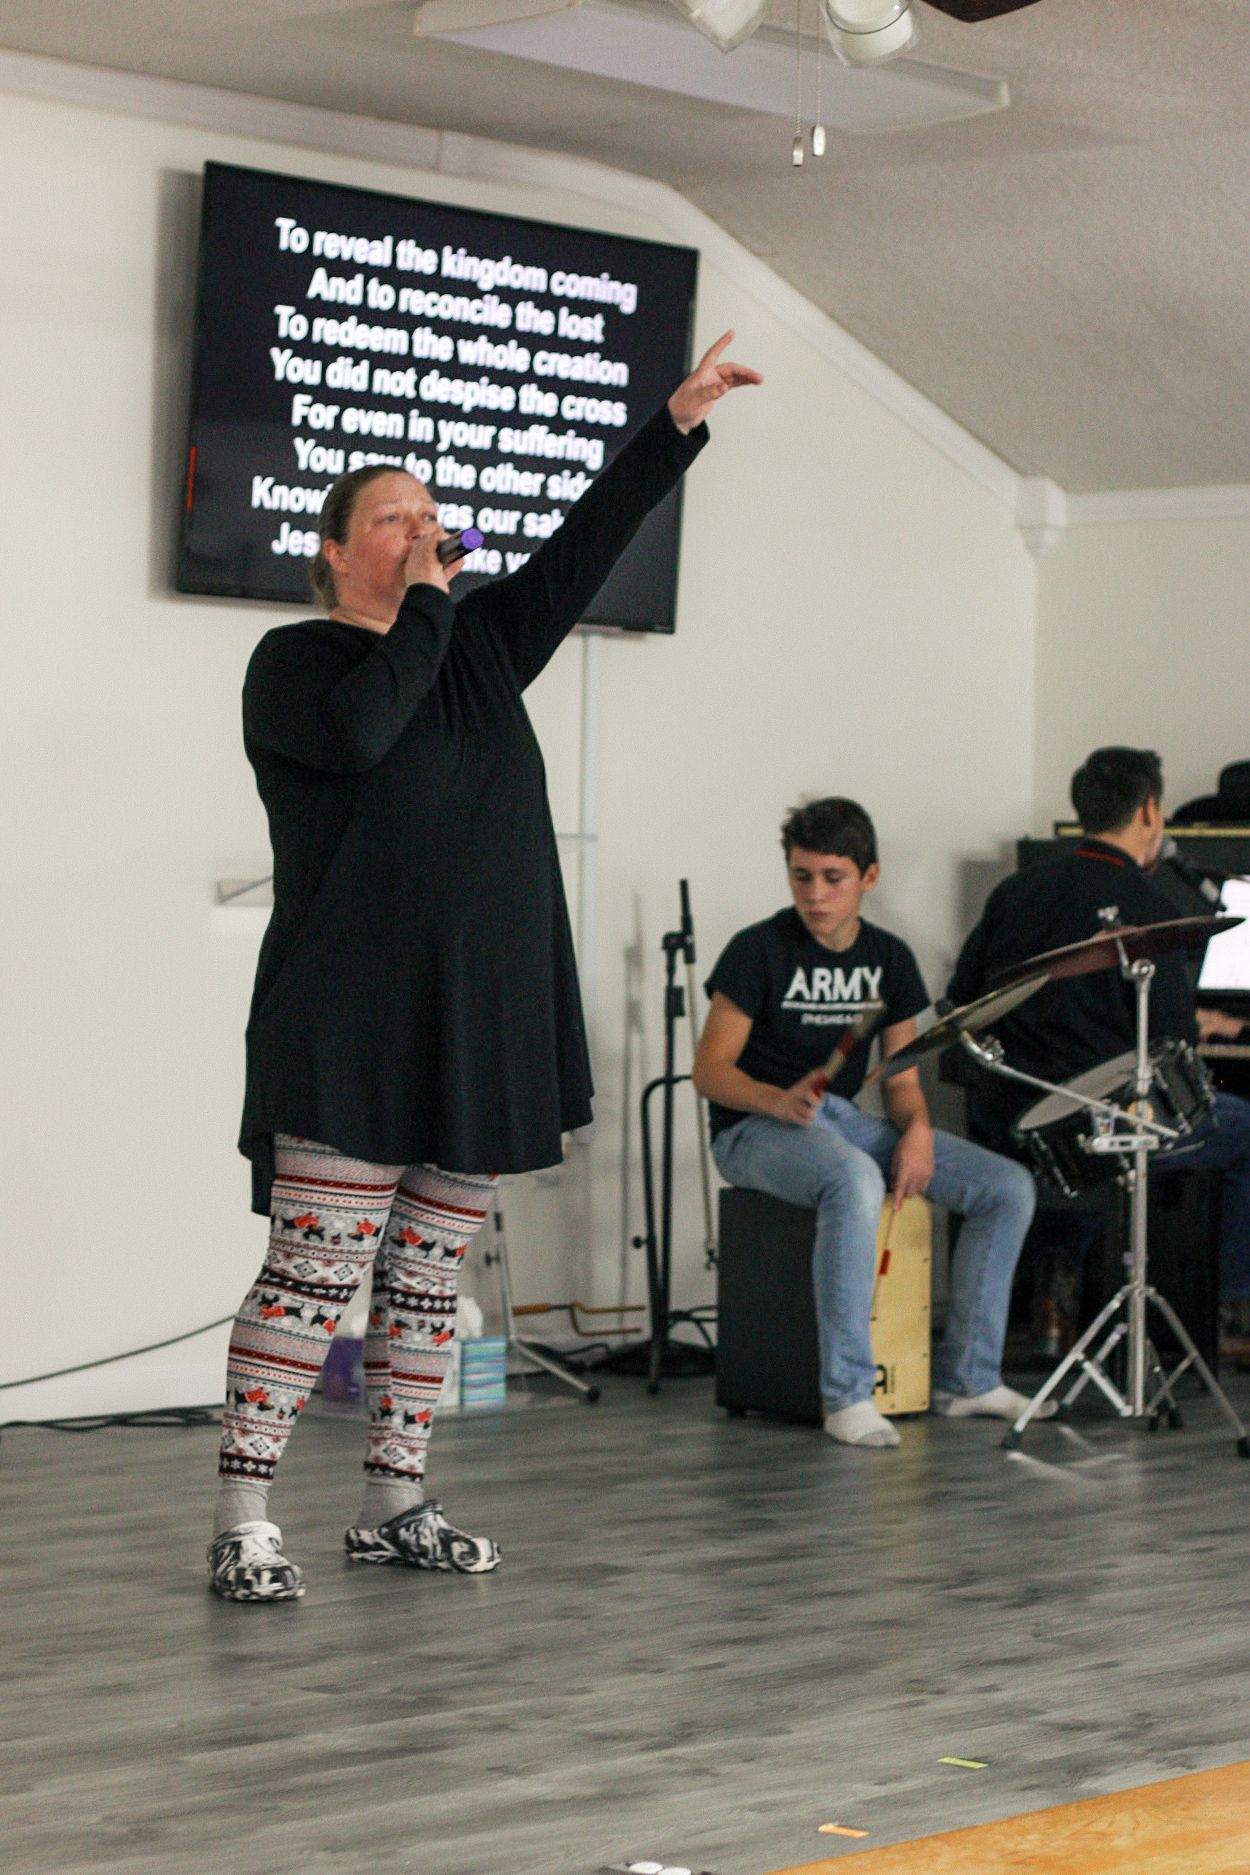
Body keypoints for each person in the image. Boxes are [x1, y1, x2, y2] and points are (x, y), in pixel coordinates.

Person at [208, 333, 763, 1601]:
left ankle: (395, 1501)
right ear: (333, 550)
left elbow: (584, 545)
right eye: (391, 519)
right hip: (348, 1021)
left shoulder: (477, 644)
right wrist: (427, 604)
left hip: (475, 1016)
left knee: (424, 1281)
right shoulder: (297, 664)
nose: (422, 531)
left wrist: (674, 423)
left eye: (430, 515)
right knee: (313, 1277)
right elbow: (362, 735)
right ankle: (244, 1520)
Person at [693, 796, 1043, 1450]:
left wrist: (916, 1131)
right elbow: (710, 1072)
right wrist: (775, 1099)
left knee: (1007, 1188)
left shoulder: (890, 960)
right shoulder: (756, 950)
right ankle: (847, 1395)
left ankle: (969, 1378)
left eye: (833, 878)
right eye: (801, 876)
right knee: (853, 1179)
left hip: (843, 1119)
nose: (815, 894)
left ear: (869, 877)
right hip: (751, 1130)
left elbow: (901, 1080)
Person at [949, 746, 1250, 1349]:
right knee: (1237, 1127)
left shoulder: (1016, 890)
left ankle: (1057, 1285)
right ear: (1150, 810)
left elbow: (963, 1001)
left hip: (1016, 1112)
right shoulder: (1150, 909)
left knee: (1080, 1140)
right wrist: (1207, 1023)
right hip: (1103, 1124)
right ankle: (1227, 1305)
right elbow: (1171, 1042)